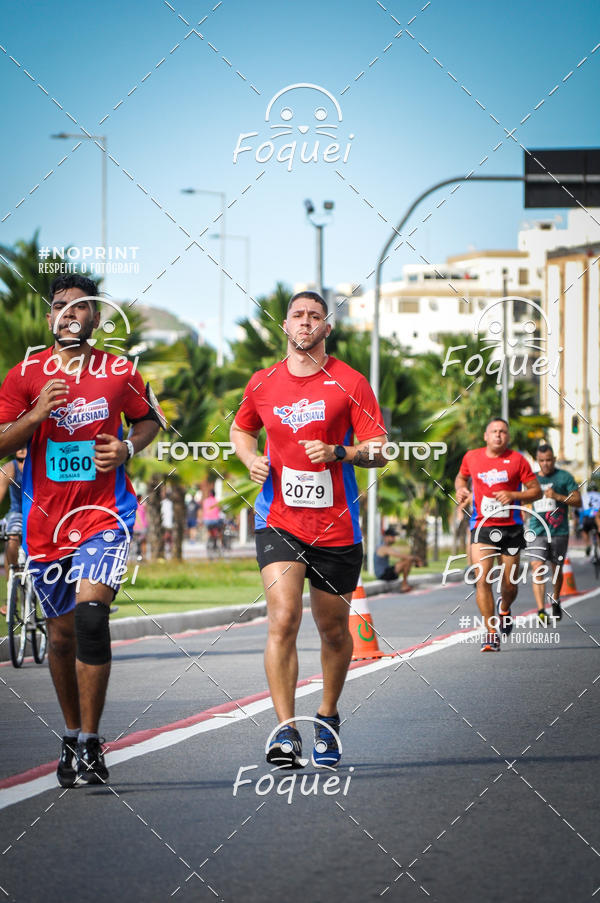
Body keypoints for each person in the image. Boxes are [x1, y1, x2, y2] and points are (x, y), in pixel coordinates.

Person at [0, 273, 161, 786]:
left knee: (92, 617)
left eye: (82, 306)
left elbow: (149, 419)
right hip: (46, 522)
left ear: (97, 318)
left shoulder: (120, 372)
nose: (70, 313)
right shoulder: (23, 376)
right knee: (62, 635)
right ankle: (70, 733)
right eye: (60, 306)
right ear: (49, 317)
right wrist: (37, 414)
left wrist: (129, 448)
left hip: (104, 515)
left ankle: (91, 741)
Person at [230, 290, 387, 768]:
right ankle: (284, 731)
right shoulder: (263, 383)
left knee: (334, 631)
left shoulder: (350, 382)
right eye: (297, 315)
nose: (305, 322)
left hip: (336, 527)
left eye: (314, 316)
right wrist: (251, 457)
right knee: (282, 620)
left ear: (327, 328)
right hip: (278, 519)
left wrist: (341, 453)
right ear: (285, 326)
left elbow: (379, 448)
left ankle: (327, 716)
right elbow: (241, 429)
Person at [455, 418, 541, 652]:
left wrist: (514, 495)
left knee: (510, 584)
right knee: (482, 579)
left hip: (511, 528)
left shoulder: (517, 460)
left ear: (508, 436)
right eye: (494, 431)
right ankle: (490, 633)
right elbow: (461, 477)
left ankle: (505, 608)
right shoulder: (472, 457)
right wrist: (460, 488)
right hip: (482, 526)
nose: (498, 435)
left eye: (503, 431)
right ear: (486, 435)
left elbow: (536, 491)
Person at [527, 444, 581, 623]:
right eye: (542, 461)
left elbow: (578, 500)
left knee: (556, 569)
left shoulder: (564, 477)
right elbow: (523, 499)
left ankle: (556, 599)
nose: (545, 464)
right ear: (537, 461)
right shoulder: (531, 479)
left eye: (549, 460)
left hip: (559, 531)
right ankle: (541, 610)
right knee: (537, 568)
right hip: (536, 531)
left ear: (554, 459)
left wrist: (557, 496)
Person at [0, 446, 27, 616]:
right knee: (12, 537)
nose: (21, 449)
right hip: (18, 513)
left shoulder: (42, 465)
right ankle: (12, 594)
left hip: (41, 511)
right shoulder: (9, 468)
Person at [374, 526, 422, 591]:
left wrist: (413, 561)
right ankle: (404, 585)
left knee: (407, 561)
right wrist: (417, 559)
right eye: (392, 537)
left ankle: (405, 584)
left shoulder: (385, 546)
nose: (394, 539)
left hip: (387, 572)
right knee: (407, 560)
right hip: (383, 575)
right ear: (386, 537)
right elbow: (401, 556)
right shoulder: (383, 548)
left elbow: (401, 556)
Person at [579, 484, 600, 555]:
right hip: (598, 517)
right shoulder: (599, 495)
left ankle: (588, 545)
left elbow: (580, 510)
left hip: (587, 517)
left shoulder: (584, 496)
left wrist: (580, 522)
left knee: (584, 531)